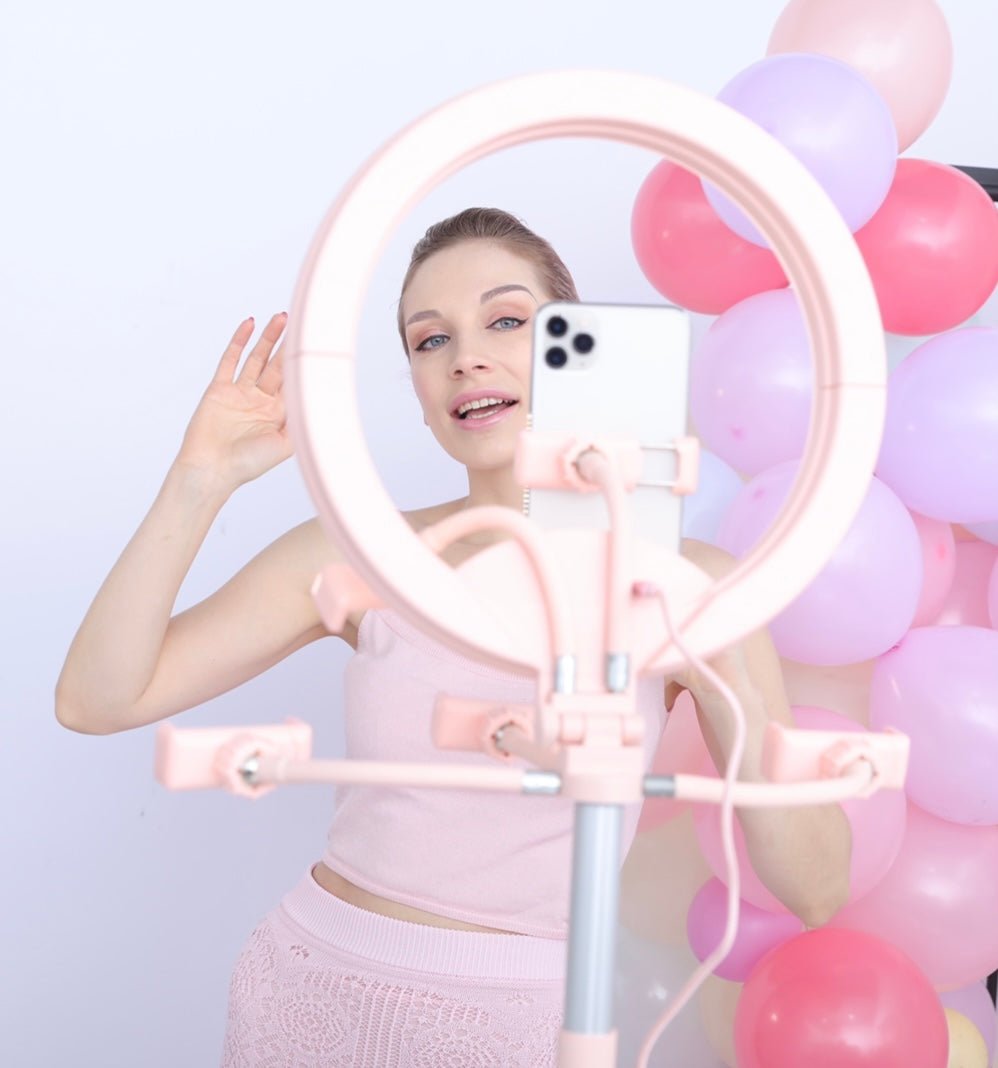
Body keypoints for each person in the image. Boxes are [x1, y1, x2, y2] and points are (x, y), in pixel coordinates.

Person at [55, 207, 851, 1066]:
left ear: (577, 347)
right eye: (430, 340)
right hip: (308, 993)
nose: (465, 356)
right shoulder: (363, 549)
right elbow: (97, 701)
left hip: (513, 1026)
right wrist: (200, 477)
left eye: (506, 321)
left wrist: (725, 665)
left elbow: (815, 890)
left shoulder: (687, 582)